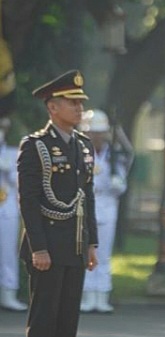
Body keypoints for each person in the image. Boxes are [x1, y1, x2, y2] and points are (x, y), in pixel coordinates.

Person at [17, 69, 98, 337]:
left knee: (67, 323)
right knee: (44, 322)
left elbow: (88, 196)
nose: (79, 108)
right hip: (48, 247)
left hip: (75, 246)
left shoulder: (84, 145)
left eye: (81, 102)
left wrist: (91, 243)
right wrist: (38, 248)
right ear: (53, 107)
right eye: (72, 102)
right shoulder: (35, 146)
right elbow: (28, 201)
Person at [78, 109, 133, 313]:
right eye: (93, 132)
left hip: (108, 206)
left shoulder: (113, 154)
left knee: (104, 254)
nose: (97, 136)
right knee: (85, 253)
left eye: (100, 132)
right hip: (86, 207)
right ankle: (86, 295)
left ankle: (102, 295)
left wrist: (118, 183)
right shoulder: (80, 153)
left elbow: (123, 174)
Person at [0, 117, 27, 311]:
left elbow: (20, 181)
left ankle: (8, 293)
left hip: (5, 208)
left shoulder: (12, 152)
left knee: (8, 253)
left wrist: (8, 169)